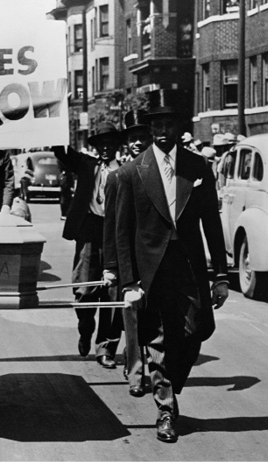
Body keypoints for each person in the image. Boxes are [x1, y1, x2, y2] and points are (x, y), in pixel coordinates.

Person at [115, 89, 229, 443]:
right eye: (156, 125)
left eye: (168, 124)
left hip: (189, 266)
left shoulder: (198, 167)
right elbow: (122, 232)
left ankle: (169, 386)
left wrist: (221, 276)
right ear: (150, 130)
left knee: (197, 331)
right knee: (160, 337)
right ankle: (166, 408)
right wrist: (128, 281)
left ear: (180, 127)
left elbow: (211, 222)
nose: (162, 131)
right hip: (151, 270)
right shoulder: (132, 172)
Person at [54, 123, 123, 369]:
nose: (106, 148)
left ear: (118, 146)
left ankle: (106, 348)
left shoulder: (125, 171)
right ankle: (85, 328)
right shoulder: (86, 164)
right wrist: (55, 122)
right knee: (84, 290)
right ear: (95, 147)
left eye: (111, 143)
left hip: (115, 234)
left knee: (113, 294)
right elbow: (62, 153)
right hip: (88, 231)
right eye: (101, 144)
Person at [103, 109, 152, 397]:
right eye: (133, 138)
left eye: (142, 137)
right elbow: (112, 226)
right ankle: (136, 373)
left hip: (156, 259)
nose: (137, 143)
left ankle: (151, 364)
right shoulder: (118, 177)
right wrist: (111, 266)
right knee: (132, 317)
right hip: (128, 260)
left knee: (154, 319)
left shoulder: (161, 174)